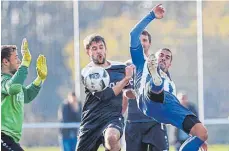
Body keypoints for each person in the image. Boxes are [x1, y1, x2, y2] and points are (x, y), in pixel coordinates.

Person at [129, 4, 208, 151]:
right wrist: (151, 15)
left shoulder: (171, 83)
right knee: (155, 86)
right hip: (148, 100)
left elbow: (175, 112)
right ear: (155, 58)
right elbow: (133, 34)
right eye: (161, 56)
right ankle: (155, 81)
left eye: (167, 57)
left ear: (170, 64)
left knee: (202, 133)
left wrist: (196, 138)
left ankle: (157, 83)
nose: (163, 58)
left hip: (167, 106)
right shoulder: (142, 63)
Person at [76, 34, 134, 151]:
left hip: (112, 118)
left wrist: (140, 89)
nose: (99, 51)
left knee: (111, 138)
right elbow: (105, 95)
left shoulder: (120, 68)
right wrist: (126, 79)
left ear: (105, 49)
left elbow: (129, 92)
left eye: (101, 47)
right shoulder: (87, 72)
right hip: (91, 122)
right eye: (94, 48)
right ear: (88, 52)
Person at [123, 30, 169, 151]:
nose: (142, 43)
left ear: (149, 44)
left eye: (144, 40)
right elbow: (126, 93)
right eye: (139, 41)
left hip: (155, 121)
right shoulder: (127, 66)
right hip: (134, 121)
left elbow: (166, 92)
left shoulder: (157, 66)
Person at [1, 38, 48, 151]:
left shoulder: (14, 81)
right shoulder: (3, 80)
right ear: (5, 61)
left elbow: (26, 96)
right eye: (16, 57)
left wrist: (40, 79)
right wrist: (25, 64)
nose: (20, 60)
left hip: (10, 139)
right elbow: (12, 88)